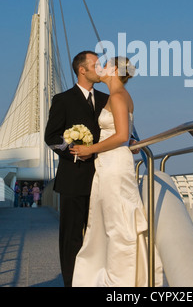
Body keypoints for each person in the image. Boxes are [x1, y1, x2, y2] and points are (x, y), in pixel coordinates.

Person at [71, 57, 162, 287]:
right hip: (108, 164)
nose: (99, 68)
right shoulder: (118, 95)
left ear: (113, 70)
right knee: (108, 223)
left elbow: (121, 136)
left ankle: (120, 283)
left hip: (114, 167)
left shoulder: (119, 96)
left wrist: (89, 149)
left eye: (104, 64)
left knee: (118, 226)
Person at [44, 51, 109, 287]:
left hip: (103, 178)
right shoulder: (63, 100)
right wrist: (73, 150)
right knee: (71, 237)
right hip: (73, 178)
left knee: (99, 235)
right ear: (82, 70)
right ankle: (71, 283)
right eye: (96, 65)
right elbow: (51, 136)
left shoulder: (106, 99)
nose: (100, 68)